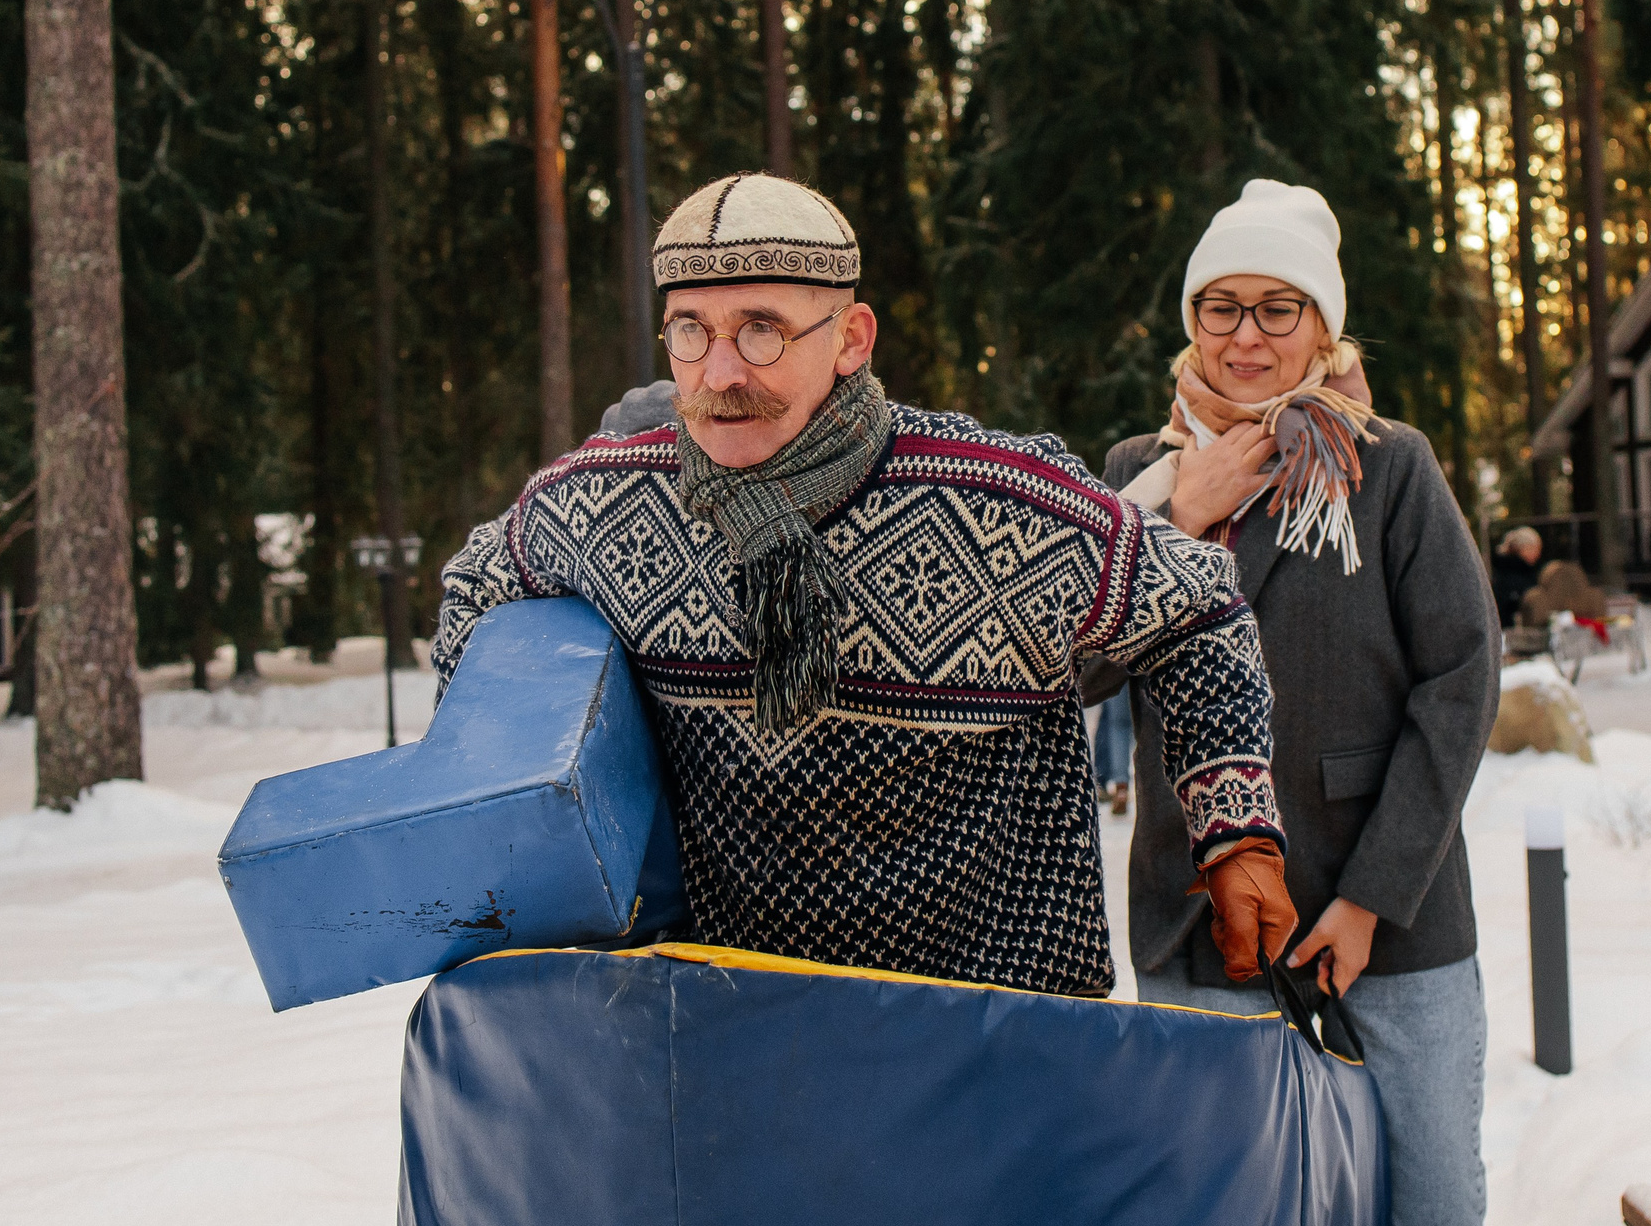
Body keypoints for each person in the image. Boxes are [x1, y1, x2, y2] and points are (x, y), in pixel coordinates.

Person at [433, 173, 1296, 997]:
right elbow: (479, 586)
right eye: (691, 331)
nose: (720, 374)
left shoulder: (1000, 501)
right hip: (727, 1018)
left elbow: (1196, 611)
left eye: (762, 330)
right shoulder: (605, 503)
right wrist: (521, 790)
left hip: (994, 1018)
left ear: (851, 338)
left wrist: (1236, 833)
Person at [1101, 179, 1505, 1226]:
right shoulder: (1137, 470)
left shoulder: (1390, 467)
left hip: (1392, 919)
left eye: (1278, 307)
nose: (1246, 336)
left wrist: (1372, 898)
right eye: (1220, 306)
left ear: (1323, 325)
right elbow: (1068, 669)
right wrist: (1171, 519)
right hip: (1203, 921)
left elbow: (1460, 677)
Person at [1490, 526, 1543, 628]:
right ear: (1523, 548)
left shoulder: (1501, 571)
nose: (1538, 554)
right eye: (1535, 548)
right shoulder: (1512, 576)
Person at [1092, 687, 1134, 816]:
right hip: (1145, 676)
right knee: (1146, 726)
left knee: (1119, 725)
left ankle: (1121, 788)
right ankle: (1151, 790)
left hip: (1118, 676)